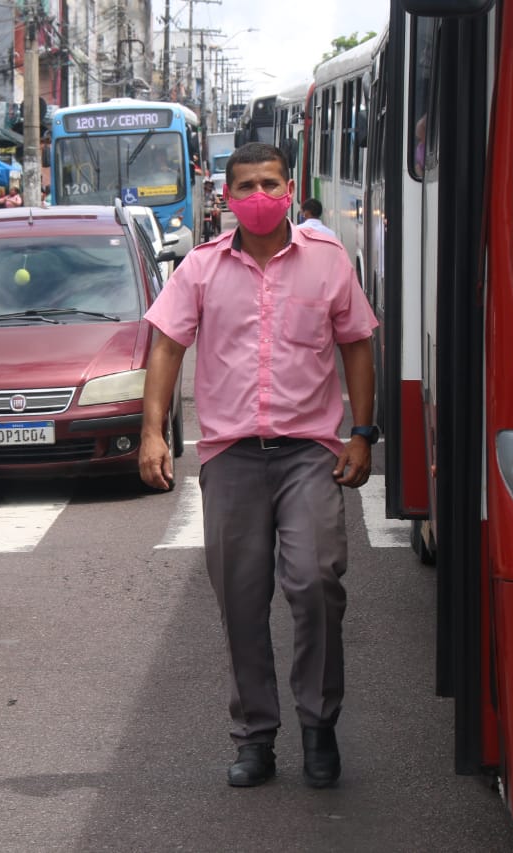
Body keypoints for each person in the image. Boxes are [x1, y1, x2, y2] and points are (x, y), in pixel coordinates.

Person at [139, 142, 377, 790]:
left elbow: (357, 343)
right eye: (245, 186)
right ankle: (255, 738)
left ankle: (319, 726)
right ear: (228, 195)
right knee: (241, 602)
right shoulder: (201, 268)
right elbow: (167, 347)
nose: (259, 196)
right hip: (232, 455)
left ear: (290, 185)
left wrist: (361, 433)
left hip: (308, 451)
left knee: (315, 580)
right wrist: (152, 431)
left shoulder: (327, 263)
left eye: (269, 183)